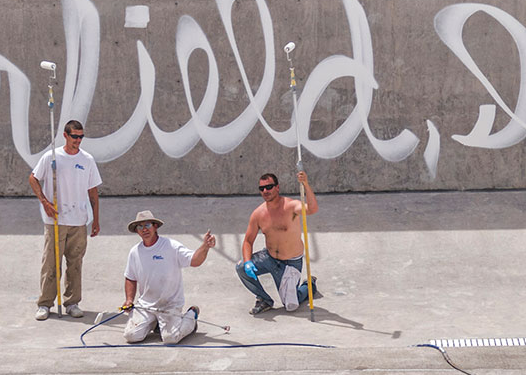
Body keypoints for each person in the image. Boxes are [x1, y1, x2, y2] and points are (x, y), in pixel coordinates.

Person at [27, 119, 102, 320]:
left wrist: (95, 220)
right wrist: (44, 201)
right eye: (74, 136)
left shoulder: (87, 160)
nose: (78, 140)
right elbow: (33, 178)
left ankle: (72, 302)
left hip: (79, 221)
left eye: (81, 137)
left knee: (75, 263)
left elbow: (93, 191)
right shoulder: (52, 157)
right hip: (56, 221)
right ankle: (45, 304)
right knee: (51, 263)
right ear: (65, 136)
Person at [121, 209, 216, 344]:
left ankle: (191, 315)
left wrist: (205, 246)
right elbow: (130, 277)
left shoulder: (171, 246)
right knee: (131, 336)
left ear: (155, 227)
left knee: (170, 339)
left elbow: (195, 260)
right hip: (145, 305)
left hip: (170, 305)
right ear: (136, 231)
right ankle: (156, 324)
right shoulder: (134, 252)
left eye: (147, 225)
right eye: (140, 226)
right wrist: (129, 300)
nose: (144, 229)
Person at [238, 170, 321, 314]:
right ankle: (264, 299)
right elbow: (247, 241)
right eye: (262, 188)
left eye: (269, 187)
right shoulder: (258, 214)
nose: (265, 191)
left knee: (291, 305)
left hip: (290, 262)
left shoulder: (291, 206)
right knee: (240, 267)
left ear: (277, 187)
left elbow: (312, 209)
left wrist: (305, 184)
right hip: (269, 257)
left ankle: (308, 286)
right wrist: (247, 262)